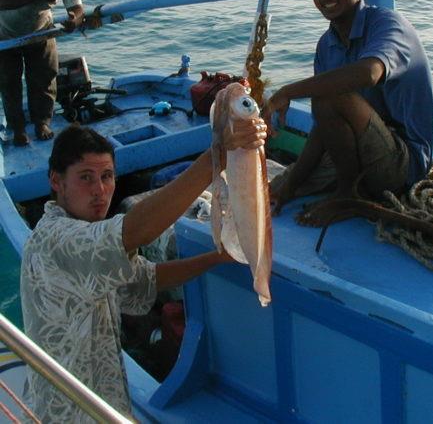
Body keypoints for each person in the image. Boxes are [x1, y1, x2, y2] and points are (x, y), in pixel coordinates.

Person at [20, 119, 266, 422]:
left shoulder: (88, 241)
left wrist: (215, 258)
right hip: (70, 412)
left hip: (102, 401)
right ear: (56, 182)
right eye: (86, 178)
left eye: (107, 176)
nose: (100, 190)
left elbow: (145, 279)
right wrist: (216, 158)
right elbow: (137, 231)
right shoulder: (58, 239)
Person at [263, 0, 433, 225]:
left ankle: (348, 196)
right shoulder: (326, 45)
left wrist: (288, 91)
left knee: (330, 95)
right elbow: (324, 127)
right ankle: (343, 187)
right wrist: (290, 186)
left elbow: (368, 74)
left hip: (404, 166)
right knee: (273, 192)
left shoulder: (389, 25)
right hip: (357, 153)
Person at [0, 0, 85, 147]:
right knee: (9, 82)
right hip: (4, 32)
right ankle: (17, 128)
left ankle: (42, 123)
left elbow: (76, 7)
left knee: (45, 77)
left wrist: (73, 19)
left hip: (41, 30)